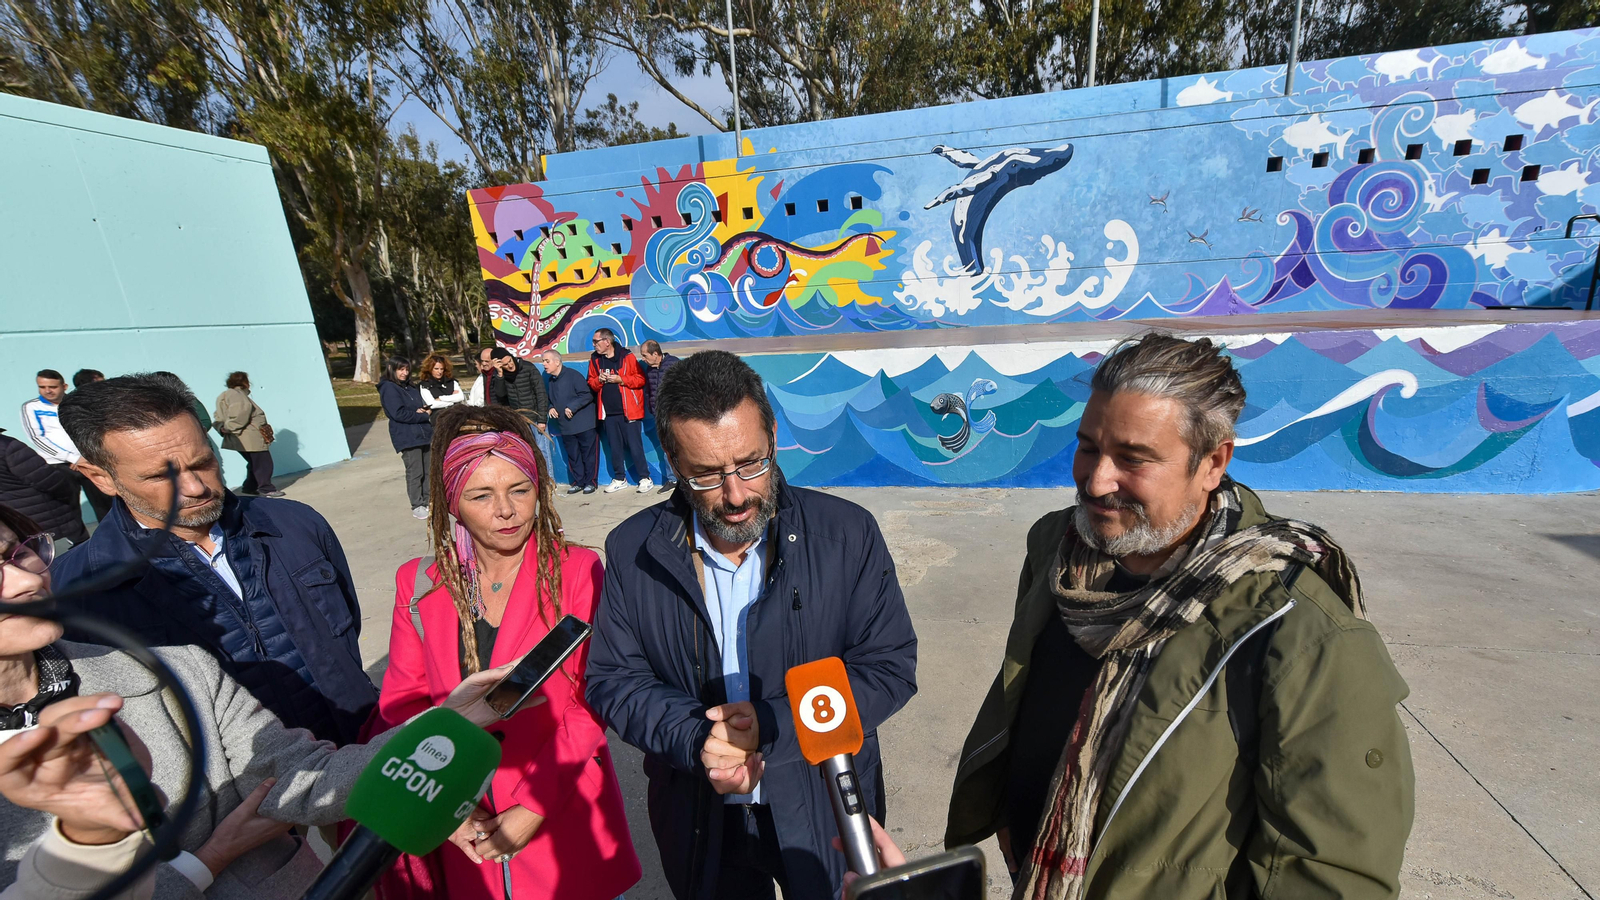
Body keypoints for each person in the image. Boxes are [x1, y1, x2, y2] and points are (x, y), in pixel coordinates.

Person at [944, 334, 1414, 900]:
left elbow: (1333, 872)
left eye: (1134, 458)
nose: (1096, 481)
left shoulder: (1299, 632)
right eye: (1088, 446)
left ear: (1213, 462)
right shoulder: (1058, 549)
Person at [0, 501, 515, 899]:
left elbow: (304, 776)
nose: (24, 582)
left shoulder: (178, 670)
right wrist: (208, 861)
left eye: (16, 553)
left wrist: (444, 723)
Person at [586, 350, 918, 900]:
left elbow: (887, 668)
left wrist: (773, 723)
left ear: (774, 437)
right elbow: (614, 680)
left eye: (752, 463)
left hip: (825, 802)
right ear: (672, 460)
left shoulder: (848, 534)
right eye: (708, 474)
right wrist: (698, 738)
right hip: (699, 812)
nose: (737, 495)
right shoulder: (632, 549)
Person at [373, 405, 641, 900]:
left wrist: (533, 806)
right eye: (481, 495)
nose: (506, 510)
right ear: (451, 502)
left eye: (520, 489)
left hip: (563, 812)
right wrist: (443, 809)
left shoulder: (578, 571)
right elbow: (402, 705)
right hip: (464, 828)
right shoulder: (418, 586)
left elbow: (591, 699)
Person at [49, 374, 380, 747]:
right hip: (249, 797)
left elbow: (347, 625)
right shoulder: (79, 589)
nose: (195, 488)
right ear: (100, 478)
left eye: (203, 462)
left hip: (362, 747)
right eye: (161, 475)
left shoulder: (296, 525)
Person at [20, 369, 113, 522]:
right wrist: (73, 458)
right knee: (68, 509)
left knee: (105, 502)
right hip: (58, 465)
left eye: (53, 387)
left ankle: (115, 538)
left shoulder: (77, 403)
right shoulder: (31, 407)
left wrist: (84, 456)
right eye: (42, 387)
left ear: (64, 386)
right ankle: (79, 543)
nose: (47, 391)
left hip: (86, 460)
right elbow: (38, 438)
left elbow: (89, 430)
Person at [585, 329, 652, 494]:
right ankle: (619, 478)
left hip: (629, 412)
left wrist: (621, 379)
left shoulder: (626, 356)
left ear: (607, 341)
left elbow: (640, 379)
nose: (593, 345)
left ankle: (645, 478)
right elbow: (591, 383)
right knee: (615, 448)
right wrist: (598, 381)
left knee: (635, 447)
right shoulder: (595, 359)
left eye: (596, 341)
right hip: (608, 413)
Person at [0, 426, 88, 545]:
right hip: (53, 524)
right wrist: (70, 495)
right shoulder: (7, 447)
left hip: (20, 530)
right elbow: (53, 482)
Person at [377, 358, 436, 520]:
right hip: (407, 436)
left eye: (406, 370)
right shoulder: (389, 388)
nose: (404, 373)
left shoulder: (410, 386)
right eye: (400, 370)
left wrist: (423, 411)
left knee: (428, 469)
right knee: (415, 471)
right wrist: (423, 416)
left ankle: (429, 498)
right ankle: (417, 504)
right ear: (392, 369)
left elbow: (417, 406)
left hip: (424, 433)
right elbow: (398, 413)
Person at [212, 372, 281, 498]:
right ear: (245, 382)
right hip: (249, 436)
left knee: (254, 463)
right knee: (263, 463)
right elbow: (241, 413)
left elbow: (218, 416)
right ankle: (266, 488)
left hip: (241, 437)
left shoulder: (225, 395)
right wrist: (229, 427)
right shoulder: (236, 394)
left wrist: (222, 428)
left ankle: (250, 487)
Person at [541, 349, 598, 495]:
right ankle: (579, 482)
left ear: (557, 362)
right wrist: (551, 407)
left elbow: (587, 395)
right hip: (566, 426)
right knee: (573, 456)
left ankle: (590, 482)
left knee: (588, 455)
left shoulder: (573, 375)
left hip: (584, 424)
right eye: (543, 361)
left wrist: (572, 406)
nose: (544, 365)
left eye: (547, 361)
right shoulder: (552, 380)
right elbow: (551, 400)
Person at [487, 348, 554, 466]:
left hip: (535, 418)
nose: (510, 365)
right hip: (519, 420)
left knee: (543, 450)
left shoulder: (528, 368)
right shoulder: (498, 375)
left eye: (510, 361)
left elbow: (541, 393)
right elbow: (500, 395)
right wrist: (500, 375)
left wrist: (542, 420)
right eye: (505, 365)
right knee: (527, 451)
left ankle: (549, 481)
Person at [639, 340, 681, 493]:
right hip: (659, 416)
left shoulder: (674, 364)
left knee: (681, 447)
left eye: (645, 355)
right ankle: (672, 479)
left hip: (675, 415)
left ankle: (686, 480)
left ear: (655, 354)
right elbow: (650, 391)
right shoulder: (649, 370)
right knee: (666, 449)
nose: (643, 359)